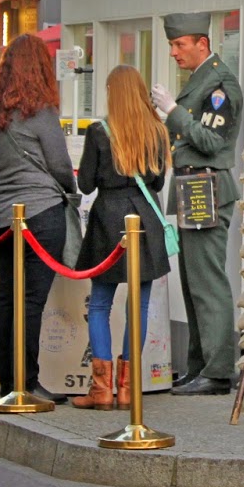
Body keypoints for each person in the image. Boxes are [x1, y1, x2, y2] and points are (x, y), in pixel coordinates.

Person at [0, 33, 79, 403]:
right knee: (32, 301)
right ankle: (28, 383)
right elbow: (59, 165)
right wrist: (71, 190)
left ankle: (8, 383)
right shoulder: (40, 112)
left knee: (7, 298)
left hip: (3, 214)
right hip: (40, 212)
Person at [72, 65, 173, 411]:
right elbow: (157, 183)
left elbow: (85, 183)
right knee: (139, 305)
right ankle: (128, 389)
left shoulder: (99, 131)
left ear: (112, 93)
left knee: (100, 303)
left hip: (109, 220)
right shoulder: (158, 131)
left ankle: (101, 390)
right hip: (145, 217)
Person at [154, 13, 243, 395]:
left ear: (202, 44)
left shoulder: (220, 84)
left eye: (179, 45)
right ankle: (199, 365)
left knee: (207, 280)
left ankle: (219, 370)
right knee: (193, 281)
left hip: (207, 184)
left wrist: (172, 112)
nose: (174, 52)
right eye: (172, 45)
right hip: (193, 184)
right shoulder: (202, 80)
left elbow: (211, 142)